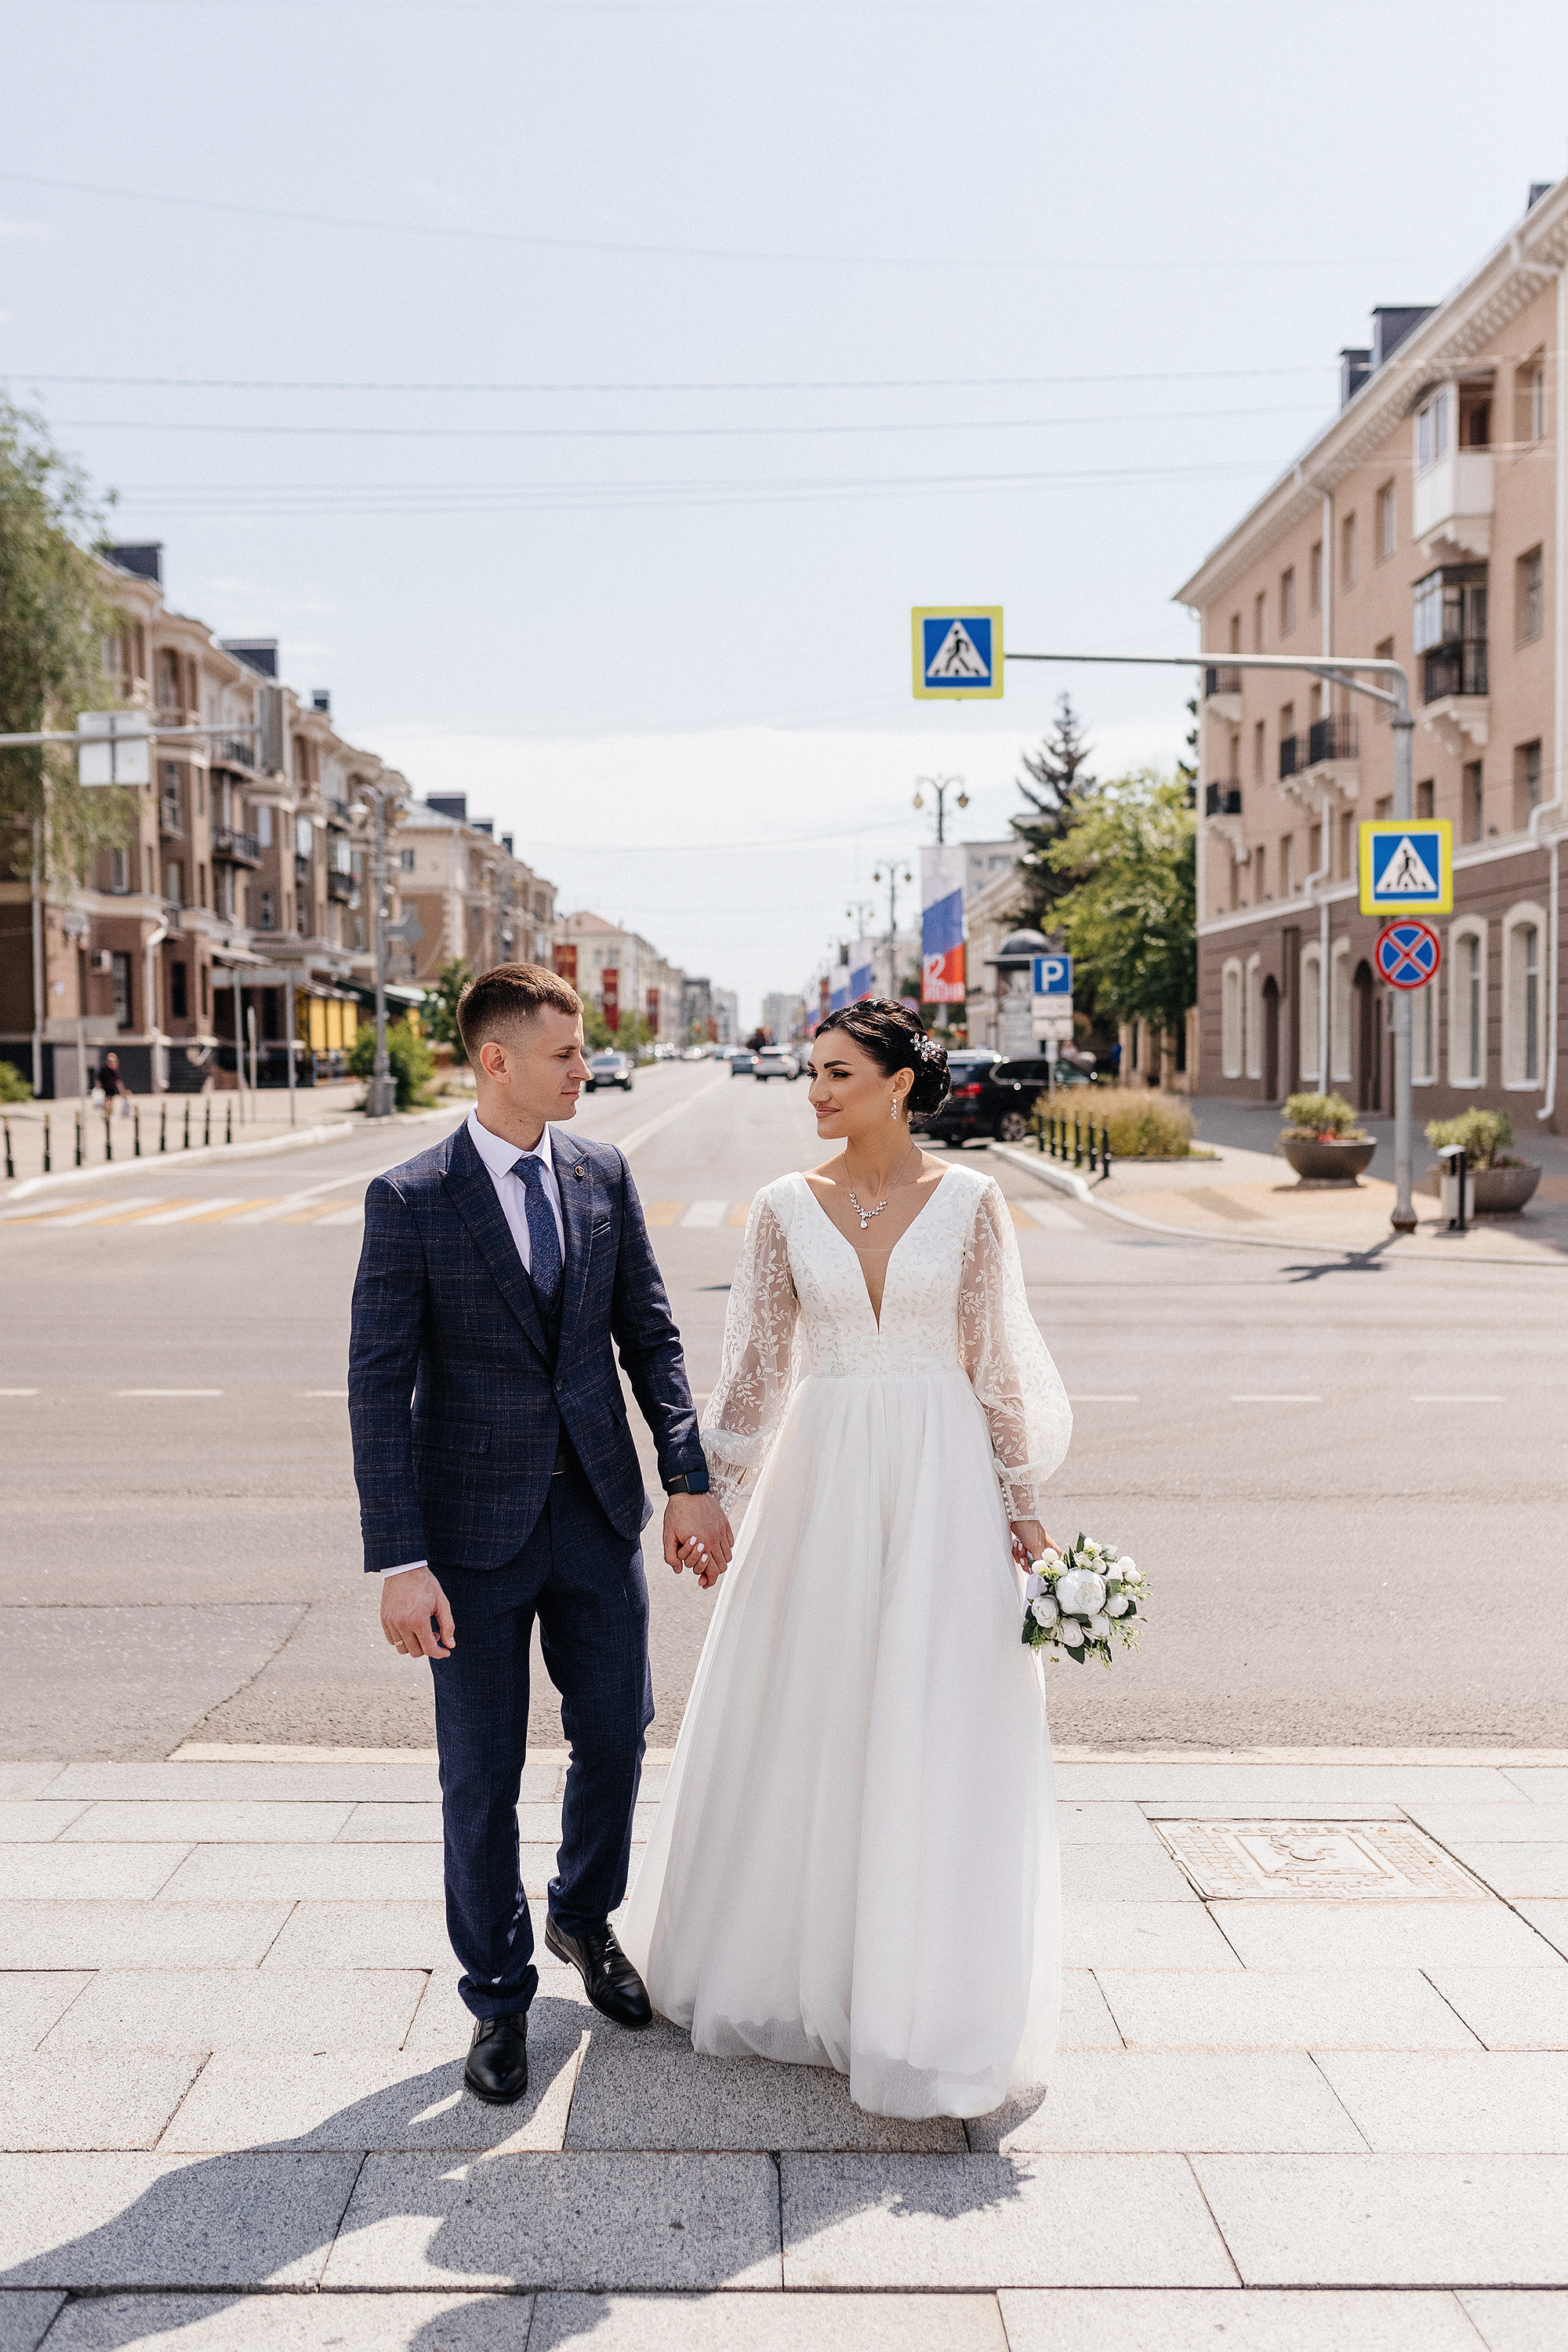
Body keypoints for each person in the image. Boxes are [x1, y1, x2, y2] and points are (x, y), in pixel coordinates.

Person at [622, 999, 1071, 2118]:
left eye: (836, 1074)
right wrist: (704, 1496)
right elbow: (756, 1372)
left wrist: (1022, 1507)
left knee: (933, 1713)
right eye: (809, 1074)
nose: (814, 1093)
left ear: (900, 1082)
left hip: (942, 1482)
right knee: (816, 1708)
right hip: (820, 1481)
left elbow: (997, 1366)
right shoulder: (782, 1208)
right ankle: (799, 1969)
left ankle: (921, 1983)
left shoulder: (971, 1203)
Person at [348, 963, 732, 2108]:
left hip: (599, 1516)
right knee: (480, 1777)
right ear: (497, 1062)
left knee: (617, 1733)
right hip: (466, 1542)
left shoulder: (603, 1173)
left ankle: (581, 1915)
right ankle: (500, 2000)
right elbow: (379, 1386)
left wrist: (686, 1478)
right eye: (565, 1056)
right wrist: (399, 1561)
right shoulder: (411, 1198)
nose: (586, 1070)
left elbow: (652, 1341)